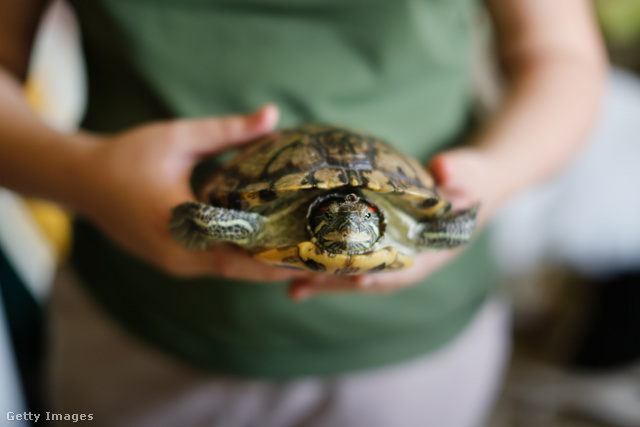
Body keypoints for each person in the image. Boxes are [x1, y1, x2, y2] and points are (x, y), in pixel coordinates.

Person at [0, 0, 605, 426]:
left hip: (412, 356)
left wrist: (490, 182)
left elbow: (560, 54)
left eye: (358, 217)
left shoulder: (396, 222)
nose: (350, 221)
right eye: (346, 217)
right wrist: (85, 176)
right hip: (135, 329)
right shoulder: (277, 220)